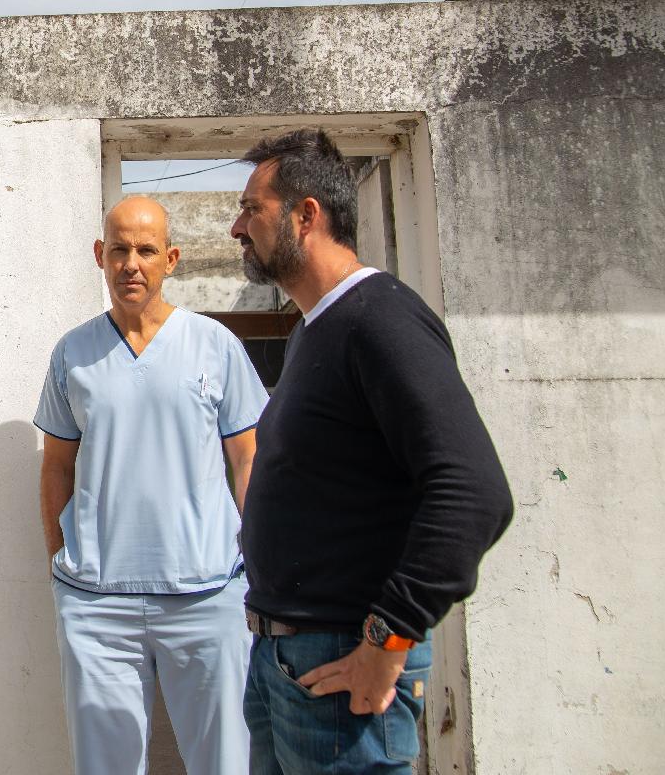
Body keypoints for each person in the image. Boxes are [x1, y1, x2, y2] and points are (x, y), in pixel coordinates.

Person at [230, 129, 513, 775]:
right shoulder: (314, 330)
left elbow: (473, 490)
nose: (235, 227)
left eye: (251, 208)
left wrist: (389, 636)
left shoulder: (378, 320)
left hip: (340, 674)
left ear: (306, 214)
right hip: (284, 665)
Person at [36, 195, 266, 775]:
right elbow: (56, 465)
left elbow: (248, 459)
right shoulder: (74, 353)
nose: (131, 263)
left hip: (207, 594)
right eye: (119, 249)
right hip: (97, 603)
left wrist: (256, 562)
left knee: (226, 763)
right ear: (99, 255)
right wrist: (60, 558)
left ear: (172, 258)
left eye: (145, 250)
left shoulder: (216, 345)